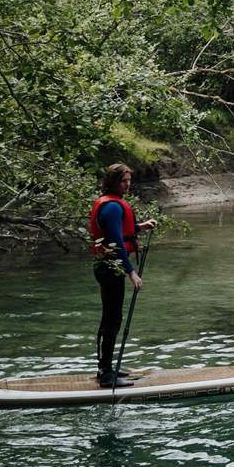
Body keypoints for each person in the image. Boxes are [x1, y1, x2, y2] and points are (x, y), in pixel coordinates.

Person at [89, 163, 151, 387]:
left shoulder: (111, 204)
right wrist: (131, 272)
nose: (127, 185)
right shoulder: (113, 207)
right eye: (123, 181)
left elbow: (120, 231)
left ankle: (106, 367)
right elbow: (116, 244)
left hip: (107, 265)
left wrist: (141, 227)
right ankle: (106, 374)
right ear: (113, 182)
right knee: (112, 319)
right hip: (110, 267)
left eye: (129, 181)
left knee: (111, 317)